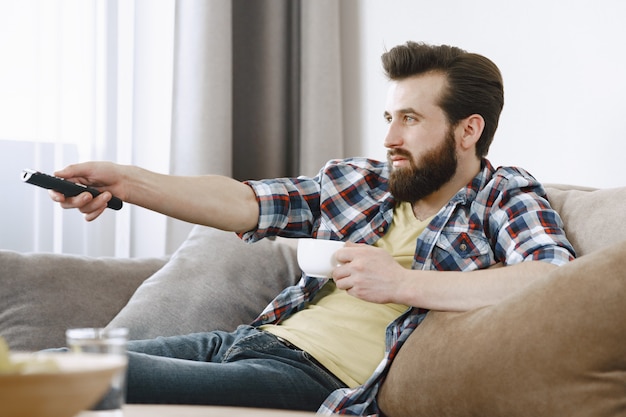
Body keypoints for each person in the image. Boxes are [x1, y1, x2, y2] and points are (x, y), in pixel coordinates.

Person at [50, 41, 575, 415]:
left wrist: (401, 283)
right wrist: (125, 180)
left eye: (410, 119)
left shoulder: (503, 194)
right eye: (389, 117)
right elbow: (244, 201)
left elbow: (551, 277)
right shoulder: (362, 182)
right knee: (42, 364)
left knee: (64, 379)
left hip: (312, 376)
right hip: (248, 342)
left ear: (469, 129)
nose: (389, 136)